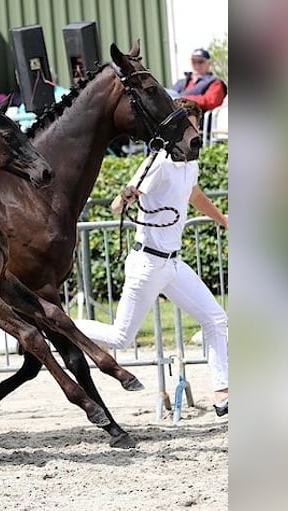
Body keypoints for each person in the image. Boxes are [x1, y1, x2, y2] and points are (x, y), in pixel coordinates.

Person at [74, 98, 229, 418]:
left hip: (172, 264)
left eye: (195, 124)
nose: (193, 130)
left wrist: (224, 220)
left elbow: (195, 195)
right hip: (147, 263)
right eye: (187, 124)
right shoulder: (157, 162)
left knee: (216, 319)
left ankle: (222, 392)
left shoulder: (190, 163)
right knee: (120, 337)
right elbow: (120, 204)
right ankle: (61, 325)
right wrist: (125, 197)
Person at [171, 48, 227, 112]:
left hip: (198, 119)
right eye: (193, 61)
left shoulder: (215, 83)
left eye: (200, 62)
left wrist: (182, 98)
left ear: (209, 63)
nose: (197, 65)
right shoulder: (180, 82)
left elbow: (211, 101)